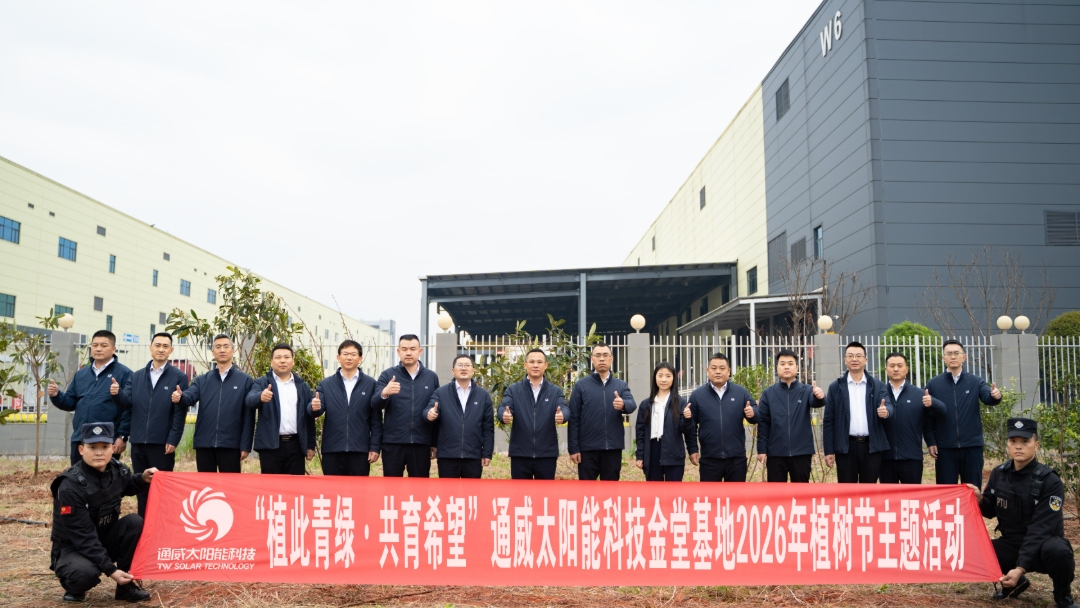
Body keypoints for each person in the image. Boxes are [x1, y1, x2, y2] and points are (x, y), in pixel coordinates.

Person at [969, 418, 1076, 608]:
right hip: (1012, 543)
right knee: (977, 549)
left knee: (1059, 551)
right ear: (1008, 444)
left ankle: (1063, 595)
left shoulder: (1050, 481)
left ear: (1036, 445)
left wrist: (1020, 567)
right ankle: (1016, 585)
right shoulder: (999, 473)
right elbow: (991, 510)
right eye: (1013, 441)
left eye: (1025, 442)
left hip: (1043, 547)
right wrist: (979, 500)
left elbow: (1041, 528)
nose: (1018, 446)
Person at [50, 422, 154, 603]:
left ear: (113, 448)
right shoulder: (70, 486)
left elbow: (127, 485)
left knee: (134, 522)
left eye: (104, 447)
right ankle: (74, 587)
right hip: (74, 546)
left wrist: (143, 478)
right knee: (84, 574)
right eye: (92, 447)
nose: (99, 453)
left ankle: (125, 587)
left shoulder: (117, 470)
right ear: (81, 450)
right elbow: (83, 537)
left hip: (103, 539)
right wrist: (111, 570)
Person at [114, 332, 189, 516]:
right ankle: (143, 525)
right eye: (157, 345)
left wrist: (173, 438)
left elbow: (180, 412)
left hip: (162, 444)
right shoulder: (137, 376)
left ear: (171, 350)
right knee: (141, 487)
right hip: (138, 441)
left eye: (165, 346)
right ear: (150, 348)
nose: (161, 349)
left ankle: (160, 526)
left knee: (162, 488)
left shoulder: (178, 377)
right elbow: (127, 404)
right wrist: (117, 394)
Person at [924, 339, 1003, 485]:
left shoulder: (975, 381)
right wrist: (930, 441)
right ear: (943, 358)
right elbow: (927, 417)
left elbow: (988, 397)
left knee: (972, 490)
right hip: (945, 448)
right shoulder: (933, 384)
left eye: (956, 353)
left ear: (964, 357)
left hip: (972, 447)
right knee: (946, 491)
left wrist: (996, 396)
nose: (953, 356)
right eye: (949, 354)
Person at [48, 330, 132, 465]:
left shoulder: (125, 373)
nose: (98, 349)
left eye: (104, 345)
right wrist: (56, 395)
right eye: (95, 345)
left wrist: (122, 436)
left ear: (113, 349)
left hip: (106, 439)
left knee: (105, 476)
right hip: (81, 437)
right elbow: (70, 402)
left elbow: (129, 407)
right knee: (77, 475)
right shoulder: (81, 374)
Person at [178, 334, 255, 473]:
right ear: (213, 352)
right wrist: (181, 396)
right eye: (218, 347)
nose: (222, 350)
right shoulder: (202, 380)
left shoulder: (245, 380)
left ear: (233, 351)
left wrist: (245, 445)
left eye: (226, 346)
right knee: (205, 485)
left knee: (230, 484)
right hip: (204, 443)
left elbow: (248, 415)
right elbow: (190, 396)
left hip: (231, 444)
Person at [310, 340, 382, 476]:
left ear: (360, 358)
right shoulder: (326, 384)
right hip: (332, 449)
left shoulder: (371, 384)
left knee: (358, 488)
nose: (349, 358)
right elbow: (316, 409)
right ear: (338, 357)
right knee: (332, 488)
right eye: (345, 354)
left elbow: (376, 419)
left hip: (360, 450)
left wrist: (375, 447)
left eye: (353, 354)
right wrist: (314, 407)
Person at [823, 341, 891, 483]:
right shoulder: (836, 387)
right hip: (846, 447)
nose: (854, 359)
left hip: (871, 446)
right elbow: (829, 420)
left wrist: (886, 411)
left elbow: (888, 405)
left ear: (865, 360)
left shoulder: (877, 385)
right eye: (850, 356)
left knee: (869, 490)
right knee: (847, 490)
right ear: (845, 360)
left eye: (859, 356)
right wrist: (829, 450)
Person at [373, 334, 440, 477]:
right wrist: (385, 393)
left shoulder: (431, 377)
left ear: (420, 351)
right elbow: (375, 404)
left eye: (412, 349)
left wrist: (434, 442)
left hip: (421, 443)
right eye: (404, 349)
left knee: (419, 486)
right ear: (398, 351)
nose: (408, 353)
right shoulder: (388, 375)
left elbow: (436, 410)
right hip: (393, 443)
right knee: (391, 487)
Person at [568, 343, 637, 481]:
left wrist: (623, 404)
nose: (601, 359)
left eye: (605, 355)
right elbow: (574, 418)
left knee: (610, 491)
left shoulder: (620, 385)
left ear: (611, 359)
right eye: (598, 355)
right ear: (592, 359)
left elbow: (632, 404)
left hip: (612, 448)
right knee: (587, 490)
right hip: (587, 449)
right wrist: (574, 448)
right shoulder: (581, 385)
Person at [497, 349, 568, 480]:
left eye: (539, 362)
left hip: (546, 455)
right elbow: (503, 407)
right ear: (525, 365)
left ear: (546, 365)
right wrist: (504, 415)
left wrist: (562, 415)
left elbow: (564, 408)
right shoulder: (514, 390)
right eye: (532, 362)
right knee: (520, 492)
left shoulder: (555, 391)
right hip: (520, 454)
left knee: (546, 492)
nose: (535, 365)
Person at [246, 344, 317, 475]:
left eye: (286, 357)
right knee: (271, 486)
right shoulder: (262, 382)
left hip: (296, 445)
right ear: (271, 362)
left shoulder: (302, 386)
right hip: (270, 446)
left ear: (293, 361)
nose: (283, 361)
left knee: (295, 485)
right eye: (278, 357)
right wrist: (260, 397)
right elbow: (249, 400)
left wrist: (310, 445)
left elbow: (309, 418)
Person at [756, 349, 825, 483]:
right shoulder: (768, 393)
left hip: (802, 452)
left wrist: (819, 396)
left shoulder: (806, 390)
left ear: (797, 367)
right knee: (776, 492)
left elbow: (816, 402)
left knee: (801, 492)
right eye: (782, 364)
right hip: (776, 452)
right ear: (777, 367)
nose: (786, 367)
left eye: (790, 363)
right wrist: (762, 449)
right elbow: (763, 422)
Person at [687, 353, 757, 482]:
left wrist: (753, 413)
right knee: (710, 494)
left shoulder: (741, 392)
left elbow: (755, 414)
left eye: (722, 368)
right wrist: (693, 449)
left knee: (736, 494)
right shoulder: (697, 396)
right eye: (714, 368)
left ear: (729, 371)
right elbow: (691, 426)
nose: (718, 371)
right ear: (707, 370)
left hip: (736, 458)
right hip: (709, 458)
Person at [424, 355, 494, 478]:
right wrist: (429, 414)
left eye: (467, 365)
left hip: (473, 456)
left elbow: (488, 427)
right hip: (447, 455)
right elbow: (428, 410)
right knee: (448, 490)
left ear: (473, 370)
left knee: (472, 490)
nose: (463, 368)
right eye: (460, 365)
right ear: (453, 371)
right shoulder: (441, 393)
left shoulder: (483, 395)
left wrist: (487, 453)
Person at [880, 352, 942, 484]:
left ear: (906, 369)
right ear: (886, 369)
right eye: (892, 366)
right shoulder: (879, 394)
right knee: (888, 496)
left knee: (912, 495)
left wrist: (931, 442)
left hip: (912, 457)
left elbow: (927, 422)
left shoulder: (919, 394)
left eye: (899, 365)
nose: (895, 369)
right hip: (885, 458)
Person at [635, 362, 696, 482]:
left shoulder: (681, 403)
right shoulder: (646, 404)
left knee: (673, 490)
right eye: (660, 375)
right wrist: (640, 455)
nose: (664, 379)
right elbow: (641, 433)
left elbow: (687, 431)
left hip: (673, 451)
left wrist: (687, 419)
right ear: (655, 378)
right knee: (654, 490)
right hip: (652, 451)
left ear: (674, 379)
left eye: (668, 376)